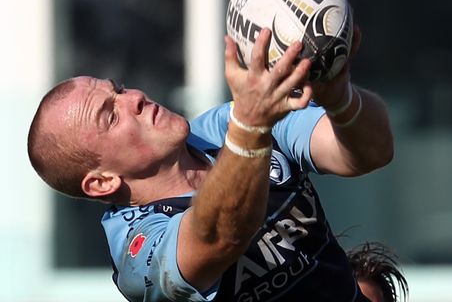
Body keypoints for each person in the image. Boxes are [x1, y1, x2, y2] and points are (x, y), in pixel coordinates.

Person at [27, 26, 394, 302]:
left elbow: (370, 152)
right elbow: (221, 235)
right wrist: (252, 125)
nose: (135, 98)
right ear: (103, 181)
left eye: (119, 90)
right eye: (110, 116)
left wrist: (340, 95)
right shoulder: (137, 252)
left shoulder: (224, 127)